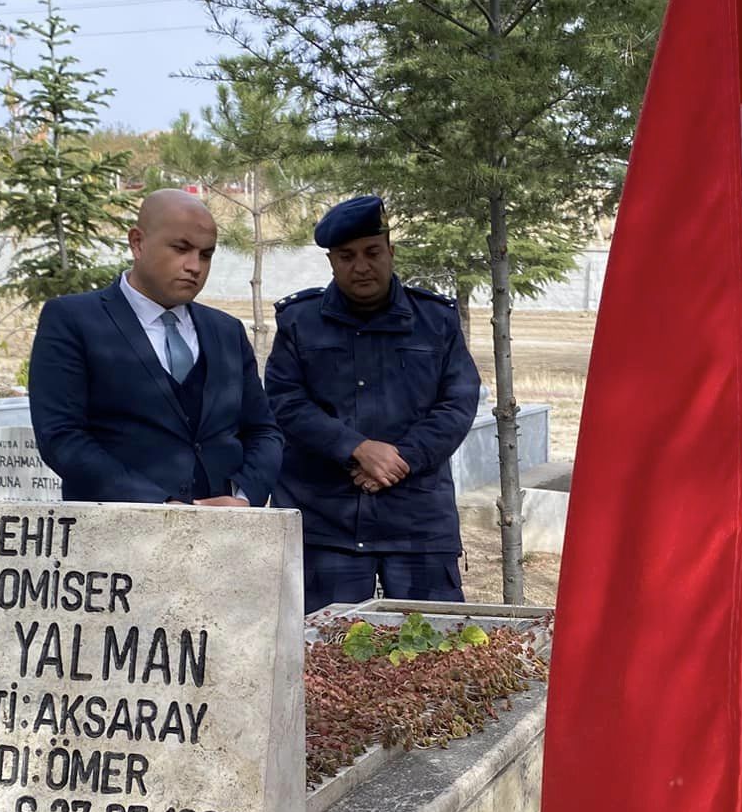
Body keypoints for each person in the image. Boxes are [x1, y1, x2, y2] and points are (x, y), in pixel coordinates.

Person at [265, 196, 481, 612]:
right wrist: (356, 449)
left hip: (417, 522)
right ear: (331, 262)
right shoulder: (299, 321)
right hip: (324, 522)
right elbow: (283, 400)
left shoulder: (436, 320)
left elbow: (457, 402)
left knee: (432, 658)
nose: (360, 266)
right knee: (320, 659)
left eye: (372, 252)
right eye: (346, 256)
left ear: (391, 251)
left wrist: (400, 459)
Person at [28, 189, 281, 508]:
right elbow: (61, 437)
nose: (195, 266)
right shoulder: (72, 319)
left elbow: (263, 431)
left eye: (206, 255)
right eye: (181, 248)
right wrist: (157, 505)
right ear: (137, 242)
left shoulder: (226, 331)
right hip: (118, 540)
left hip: (224, 539)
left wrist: (244, 497)